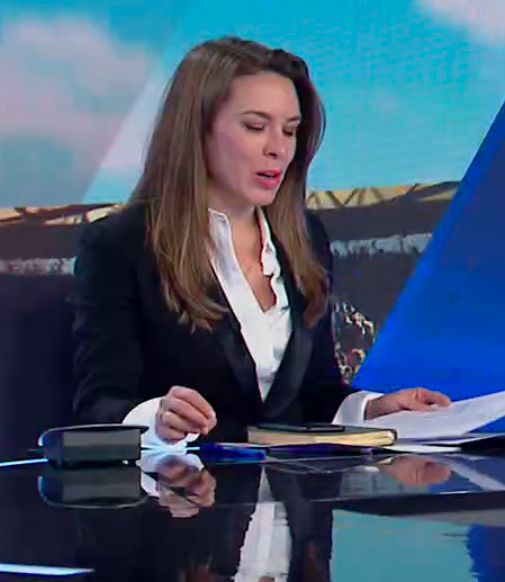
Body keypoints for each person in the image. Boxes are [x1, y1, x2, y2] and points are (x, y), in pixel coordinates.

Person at [71, 36, 450, 447]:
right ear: (196, 130)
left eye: (290, 131)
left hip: (293, 484)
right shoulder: (121, 245)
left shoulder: (306, 238)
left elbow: (314, 394)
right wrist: (157, 420)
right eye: (255, 127)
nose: (279, 149)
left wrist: (373, 409)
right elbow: (99, 406)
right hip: (185, 483)